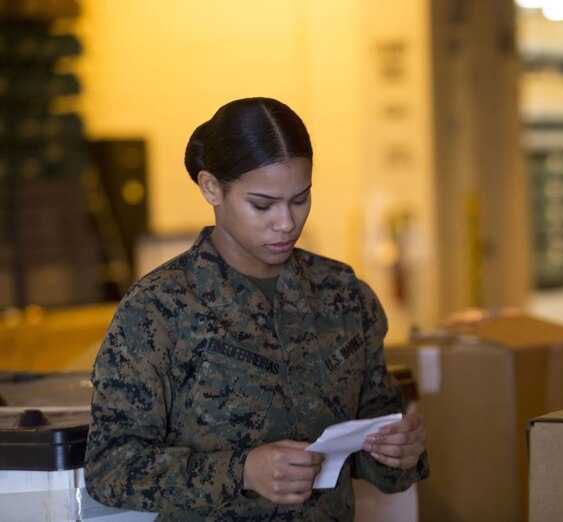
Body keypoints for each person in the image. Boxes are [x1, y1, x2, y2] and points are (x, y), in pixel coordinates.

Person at [85, 97, 429, 520]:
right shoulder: (158, 309)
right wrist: (241, 471)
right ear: (212, 188)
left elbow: (373, 449)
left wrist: (398, 451)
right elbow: (111, 468)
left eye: (300, 200)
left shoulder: (343, 295)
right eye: (262, 205)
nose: (286, 222)